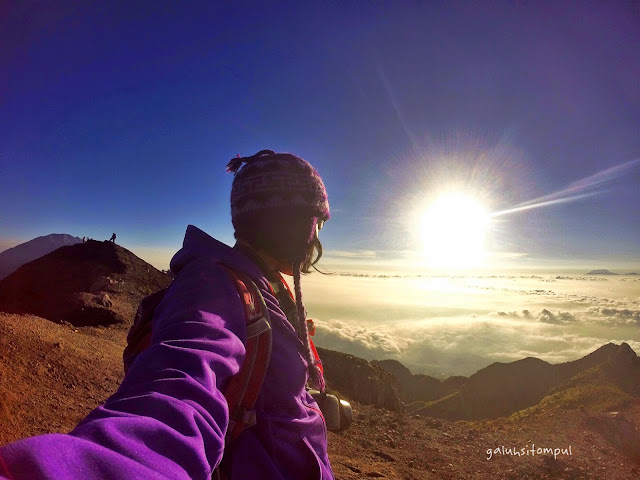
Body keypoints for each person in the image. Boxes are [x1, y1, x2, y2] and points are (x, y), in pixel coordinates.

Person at [0, 150, 333, 479]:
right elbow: (179, 391)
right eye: (315, 222)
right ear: (292, 224)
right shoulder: (212, 287)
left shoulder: (264, 287)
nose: (317, 236)